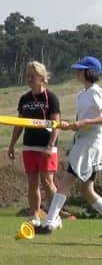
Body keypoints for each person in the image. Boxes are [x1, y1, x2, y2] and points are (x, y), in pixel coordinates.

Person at [36, 56, 102, 237]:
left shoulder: (96, 92)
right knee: (87, 190)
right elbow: (81, 123)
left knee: (65, 183)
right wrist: (71, 127)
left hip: (91, 145)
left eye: (81, 69)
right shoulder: (81, 94)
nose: (77, 72)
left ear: (88, 72)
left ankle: (48, 224)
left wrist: (85, 121)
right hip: (83, 142)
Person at [7, 61, 62, 228]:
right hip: (29, 145)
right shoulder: (24, 99)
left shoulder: (51, 98)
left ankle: (55, 216)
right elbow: (19, 123)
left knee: (47, 181)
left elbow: (56, 124)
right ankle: (35, 216)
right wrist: (12, 145)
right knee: (32, 182)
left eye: (33, 76)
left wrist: (50, 145)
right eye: (27, 76)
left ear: (42, 77)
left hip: (47, 147)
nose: (29, 79)